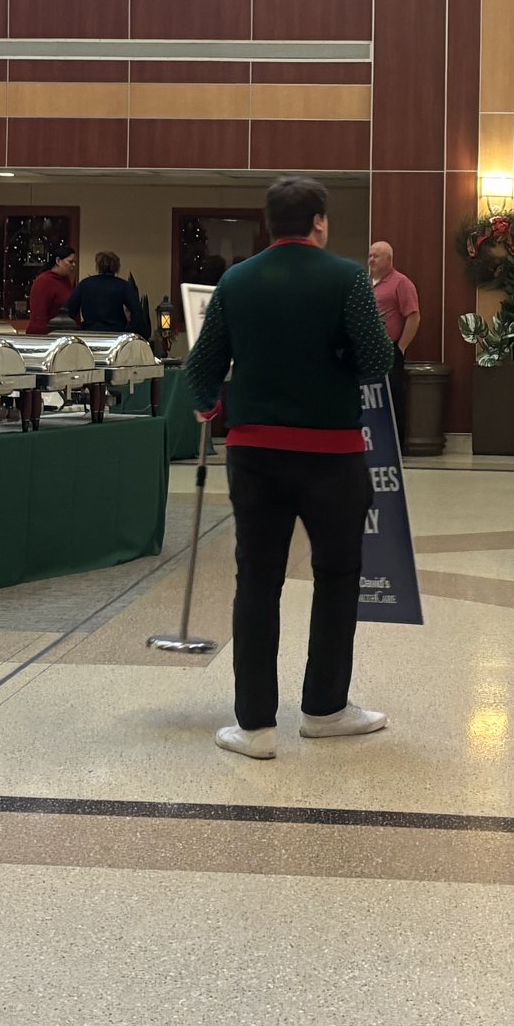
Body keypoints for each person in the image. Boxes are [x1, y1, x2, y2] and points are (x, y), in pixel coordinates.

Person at [183, 175, 397, 759]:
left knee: (257, 580)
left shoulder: (235, 280)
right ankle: (325, 709)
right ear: (320, 222)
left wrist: (210, 406)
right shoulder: (349, 277)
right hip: (333, 454)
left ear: (269, 223)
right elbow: (377, 360)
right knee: (336, 576)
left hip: (255, 454)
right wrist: (336, 358)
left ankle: (254, 726)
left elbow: (200, 369)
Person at [366, 239, 421, 434]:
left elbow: (413, 316)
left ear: (388, 259)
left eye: (376, 256)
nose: (371, 259)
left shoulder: (401, 283)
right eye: (370, 255)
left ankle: (397, 442)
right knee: (372, 394)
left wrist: (401, 347)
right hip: (369, 350)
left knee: (393, 396)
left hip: (391, 349)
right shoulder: (366, 283)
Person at [69, 250, 147, 334]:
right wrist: (131, 331)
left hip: (90, 333)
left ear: (98, 265)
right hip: (116, 334)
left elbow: (69, 310)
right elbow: (137, 311)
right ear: (117, 266)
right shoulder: (123, 285)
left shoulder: (85, 284)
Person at [25, 246, 77, 332]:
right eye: (70, 262)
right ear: (58, 261)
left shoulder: (66, 281)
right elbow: (38, 315)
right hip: (47, 335)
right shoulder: (44, 280)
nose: (73, 265)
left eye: (74, 262)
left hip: (63, 332)